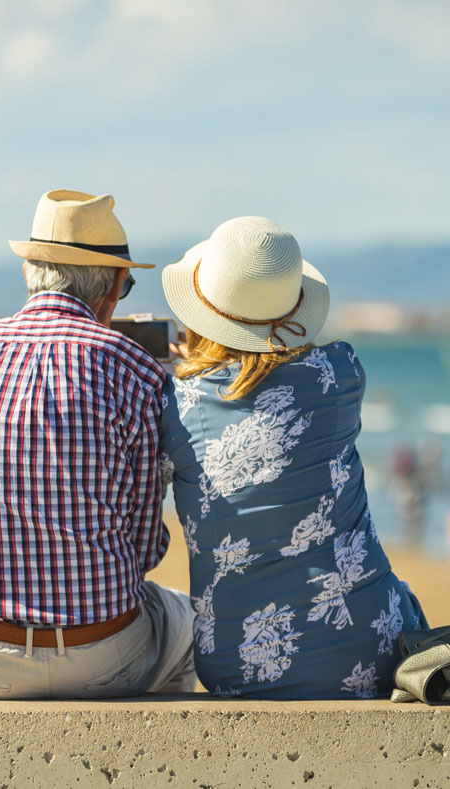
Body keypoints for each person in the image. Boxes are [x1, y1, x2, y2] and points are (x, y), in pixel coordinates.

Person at [0, 189, 195, 699]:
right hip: (107, 655)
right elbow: (144, 548)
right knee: (182, 622)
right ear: (115, 285)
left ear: (30, 271)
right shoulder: (137, 371)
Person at [159, 216, 427, 699]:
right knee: (399, 594)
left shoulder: (174, 403)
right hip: (369, 646)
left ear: (203, 310)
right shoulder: (341, 372)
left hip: (237, 663)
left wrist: (184, 366)